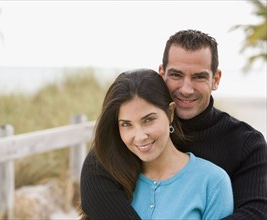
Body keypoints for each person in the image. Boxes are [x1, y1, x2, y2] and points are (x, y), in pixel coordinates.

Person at [80, 29, 267, 219]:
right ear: (162, 74)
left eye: (198, 77)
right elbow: (95, 183)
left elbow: (256, 213)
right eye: (176, 75)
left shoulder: (246, 143)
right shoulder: (138, 133)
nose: (186, 89)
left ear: (215, 79)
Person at [79, 68, 233, 219]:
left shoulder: (212, 182)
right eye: (126, 124)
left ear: (170, 113)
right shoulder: (111, 178)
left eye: (148, 120)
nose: (140, 137)